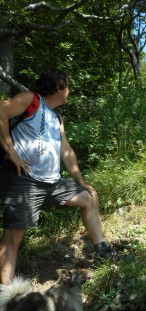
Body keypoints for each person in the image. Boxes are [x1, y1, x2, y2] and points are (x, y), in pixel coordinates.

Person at [0, 68, 116, 285]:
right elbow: (1, 111)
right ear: (58, 87)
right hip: (26, 180)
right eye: (67, 85)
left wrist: (80, 180)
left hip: (52, 182)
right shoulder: (30, 100)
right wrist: (11, 153)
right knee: (13, 238)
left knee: (89, 197)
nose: (69, 90)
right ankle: (5, 295)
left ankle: (102, 251)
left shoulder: (56, 117)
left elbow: (66, 150)